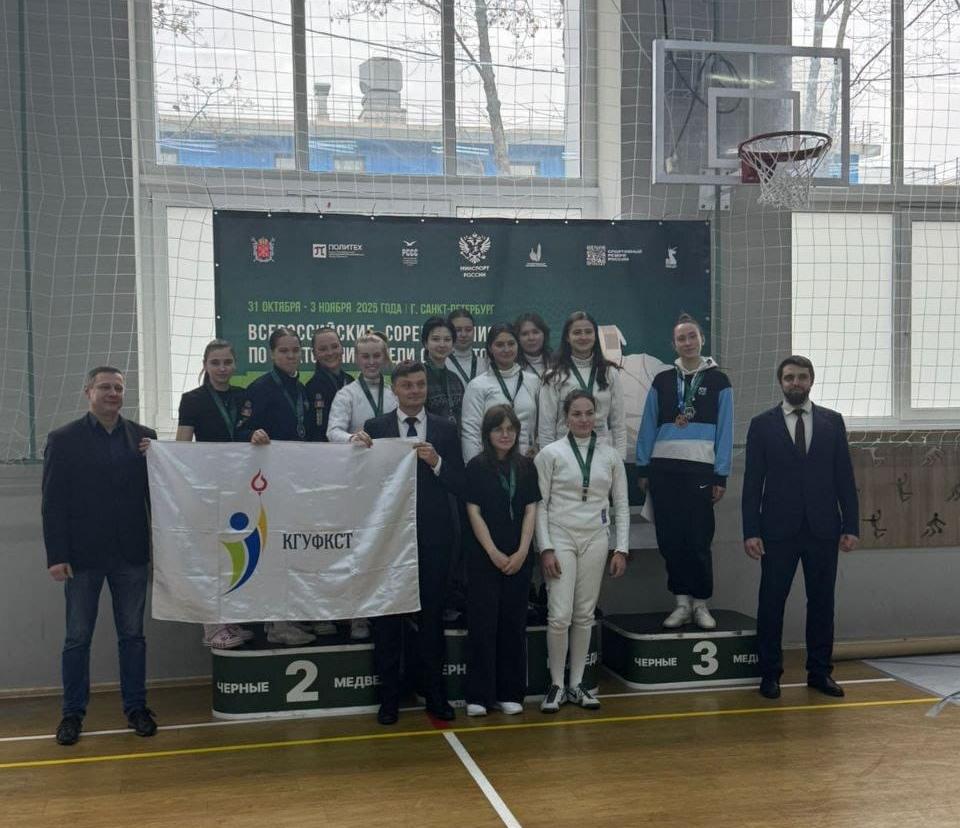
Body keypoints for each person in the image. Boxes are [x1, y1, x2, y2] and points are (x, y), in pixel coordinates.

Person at [42, 366, 158, 746]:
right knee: (77, 638)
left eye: (118, 388)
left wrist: (162, 548)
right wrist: (56, 555)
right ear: (88, 392)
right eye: (105, 387)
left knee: (133, 636)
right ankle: (72, 714)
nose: (113, 393)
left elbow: (158, 498)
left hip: (131, 555)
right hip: (81, 558)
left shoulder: (144, 439)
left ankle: (137, 708)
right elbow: (53, 503)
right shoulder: (63, 439)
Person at [742, 355, 859, 700]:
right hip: (777, 530)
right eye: (790, 377)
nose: (796, 383)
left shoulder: (832, 422)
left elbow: (844, 477)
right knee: (771, 603)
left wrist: (851, 525)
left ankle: (820, 673)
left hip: (823, 528)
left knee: (822, 603)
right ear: (780, 382)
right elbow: (752, 483)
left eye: (802, 377)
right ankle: (769, 674)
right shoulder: (761, 425)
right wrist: (751, 530)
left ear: (811, 381)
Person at [358, 360, 466, 725]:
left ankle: (435, 694)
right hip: (389, 538)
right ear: (395, 389)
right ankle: (389, 699)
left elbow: (459, 481)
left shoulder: (445, 428)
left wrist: (437, 462)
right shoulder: (376, 428)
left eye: (420, 384)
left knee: (432, 619)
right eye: (408, 385)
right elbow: (362, 477)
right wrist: (356, 449)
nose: (415, 391)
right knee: (388, 620)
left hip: (433, 538)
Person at [635, 313, 733, 631]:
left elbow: (726, 430)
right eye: (681, 338)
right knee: (671, 540)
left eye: (692, 336)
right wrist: (643, 466)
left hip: (700, 471)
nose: (687, 342)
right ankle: (680, 603)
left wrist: (720, 474)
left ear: (702, 339)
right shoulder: (663, 380)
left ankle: (701, 604)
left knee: (698, 539)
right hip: (664, 470)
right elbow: (648, 424)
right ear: (674, 344)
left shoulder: (719, 381)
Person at [535, 390, 629, 712]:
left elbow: (621, 506)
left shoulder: (611, 456)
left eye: (589, 413)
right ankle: (556, 685)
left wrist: (621, 548)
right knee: (560, 614)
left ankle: (576, 684)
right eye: (577, 414)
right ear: (566, 417)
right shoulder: (550, 454)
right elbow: (540, 505)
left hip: (596, 538)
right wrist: (546, 548)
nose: (584, 419)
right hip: (560, 536)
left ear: (597, 416)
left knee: (585, 614)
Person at [239, 327, 322, 646]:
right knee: (273, 550)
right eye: (284, 351)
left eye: (295, 350)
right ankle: (275, 624)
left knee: (293, 549)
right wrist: (252, 434)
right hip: (269, 482)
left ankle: (288, 617)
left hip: (297, 481)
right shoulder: (259, 388)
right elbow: (240, 429)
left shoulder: (301, 389)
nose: (291, 356)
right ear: (271, 354)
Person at [176, 339, 254, 650]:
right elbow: (182, 446)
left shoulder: (244, 396)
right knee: (211, 557)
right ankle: (211, 627)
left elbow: (249, 435)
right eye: (215, 363)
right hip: (207, 489)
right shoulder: (192, 400)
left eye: (227, 362)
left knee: (235, 553)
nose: (222, 369)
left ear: (235, 365)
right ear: (205, 366)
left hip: (240, 486)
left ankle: (229, 619)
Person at [463, 405, 541, 717]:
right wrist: (493, 552)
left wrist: (522, 551)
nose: (505, 434)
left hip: (518, 558)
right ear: (488, 433)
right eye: (498, 429)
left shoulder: (526, 466)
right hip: (485, 557)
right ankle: (479, 695)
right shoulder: (476, 466)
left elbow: (531, 510)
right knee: (482, 625)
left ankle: (510, 692)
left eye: (511, 429)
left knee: (513, 624)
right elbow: (473, 512)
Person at [325, 332, 396, 641]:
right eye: (365, 356)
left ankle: (389, 609)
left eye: (376, 356)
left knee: (388, 545)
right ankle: (358, 615)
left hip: (390, 481)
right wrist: (351, 437)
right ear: (356, 359)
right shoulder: (347, 394)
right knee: (359, 548)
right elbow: (332, 432)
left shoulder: (394, 393)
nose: (371, 362)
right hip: (357, 481)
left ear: (385, 357)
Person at [538, 311, 626, 458]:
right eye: (577, 332)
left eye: (588, 332)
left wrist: (620, 460)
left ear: (595, 336)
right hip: (564, 455)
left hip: (601, 453)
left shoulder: (610, 373)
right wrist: (548, 462)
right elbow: (546, 427)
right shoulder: (554, 375)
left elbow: (619, 424)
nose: (583, 337)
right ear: (567, 337)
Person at [461, 324, 540, 461]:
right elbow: (470, 432)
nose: (506, 349)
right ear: (490, 348)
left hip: (527, 462)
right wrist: (474, 467)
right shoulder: (477, 385)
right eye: (499, 345)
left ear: (518, 345)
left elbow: (542, 426)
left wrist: (539, 450)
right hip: (491, 464)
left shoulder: (533, 381)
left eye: (511, 344)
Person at [304, 326, 354, 442]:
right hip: (323, 451)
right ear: (314, 353)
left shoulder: (351, 382)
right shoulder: (310, 389)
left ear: (342, 348)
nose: (330, 353)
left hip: (352, 447)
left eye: (335, 347)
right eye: (323, 349)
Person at [420, 316, 465, 426]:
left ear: (453, 344)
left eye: (447, 339)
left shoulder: (455, 379)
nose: (442, 344)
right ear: (425, 343)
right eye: (435, 339)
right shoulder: (418, 376)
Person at [447, 308, 488, 384]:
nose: (463, 334)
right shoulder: (442, 364)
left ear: (474, 331)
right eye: (458, 330)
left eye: (468, 330)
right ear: (449, 332)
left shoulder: (486, 365)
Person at [514, 312, 552, 381]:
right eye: (524, 334)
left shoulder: (557, 362)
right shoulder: (512, 367)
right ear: (517, 338)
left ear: (544, 334)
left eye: (535, 332)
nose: (531, 338)